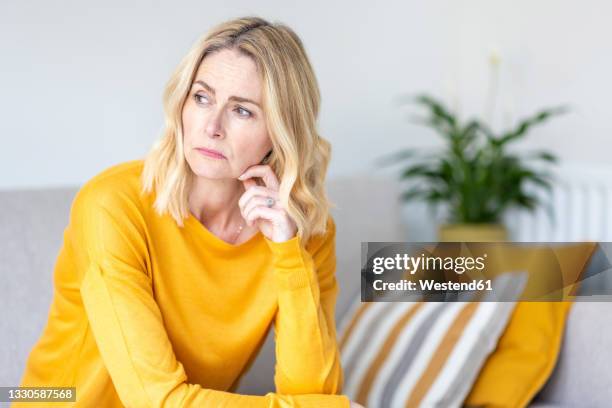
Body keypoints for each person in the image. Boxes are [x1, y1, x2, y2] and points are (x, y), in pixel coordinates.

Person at [15, 15, 365, 408]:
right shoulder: (112, 205)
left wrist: (287, 254)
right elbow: (155, 400)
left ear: (282, 130)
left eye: (242, 110)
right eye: (202, 98)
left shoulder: (303, 231)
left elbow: (312, 392)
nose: (212, 126)